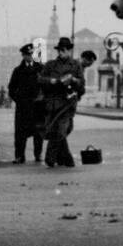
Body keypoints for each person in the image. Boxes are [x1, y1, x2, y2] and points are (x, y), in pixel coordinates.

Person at [38, 38, 85, 168]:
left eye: (65, 50)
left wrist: (74, 80)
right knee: (57, 131)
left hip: (68, 103)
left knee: (62, 130)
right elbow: (41, 80)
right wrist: (52, 81)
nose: (62, 52)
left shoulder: (75, 65)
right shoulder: (50, 65)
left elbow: (82, 85)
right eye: (60, 50)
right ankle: (67, 160)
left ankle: (50, 158)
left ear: (70, 50)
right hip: (52, 103)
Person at [8, 43, 43, 164]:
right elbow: (11, 89)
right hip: (23, 108)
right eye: (27, 54)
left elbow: (45, 86)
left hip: (37, 107)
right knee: (20, 133)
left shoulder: (40, 69)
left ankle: (38, 155)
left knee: (38, 132)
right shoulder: (18, 71)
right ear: (23, 56)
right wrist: (19, 100)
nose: (30, 56)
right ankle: (19, 156)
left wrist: (41, 98)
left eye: (31, 54)